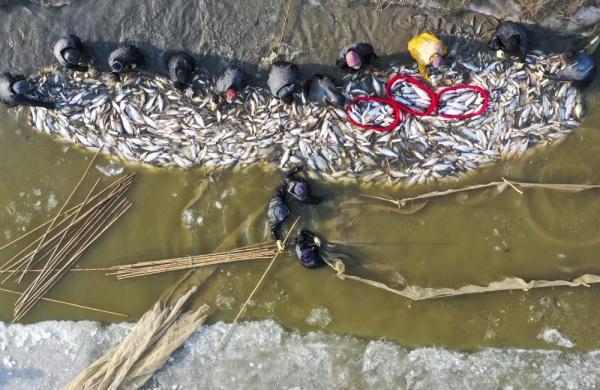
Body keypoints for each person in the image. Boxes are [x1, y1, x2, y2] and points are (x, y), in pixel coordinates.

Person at [267, 185, 290, 250]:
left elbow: (281, 187)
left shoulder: (278, 197)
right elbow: (273, 231)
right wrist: (278, 241)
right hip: (275, 207)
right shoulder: (274, 221)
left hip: (278, 200)